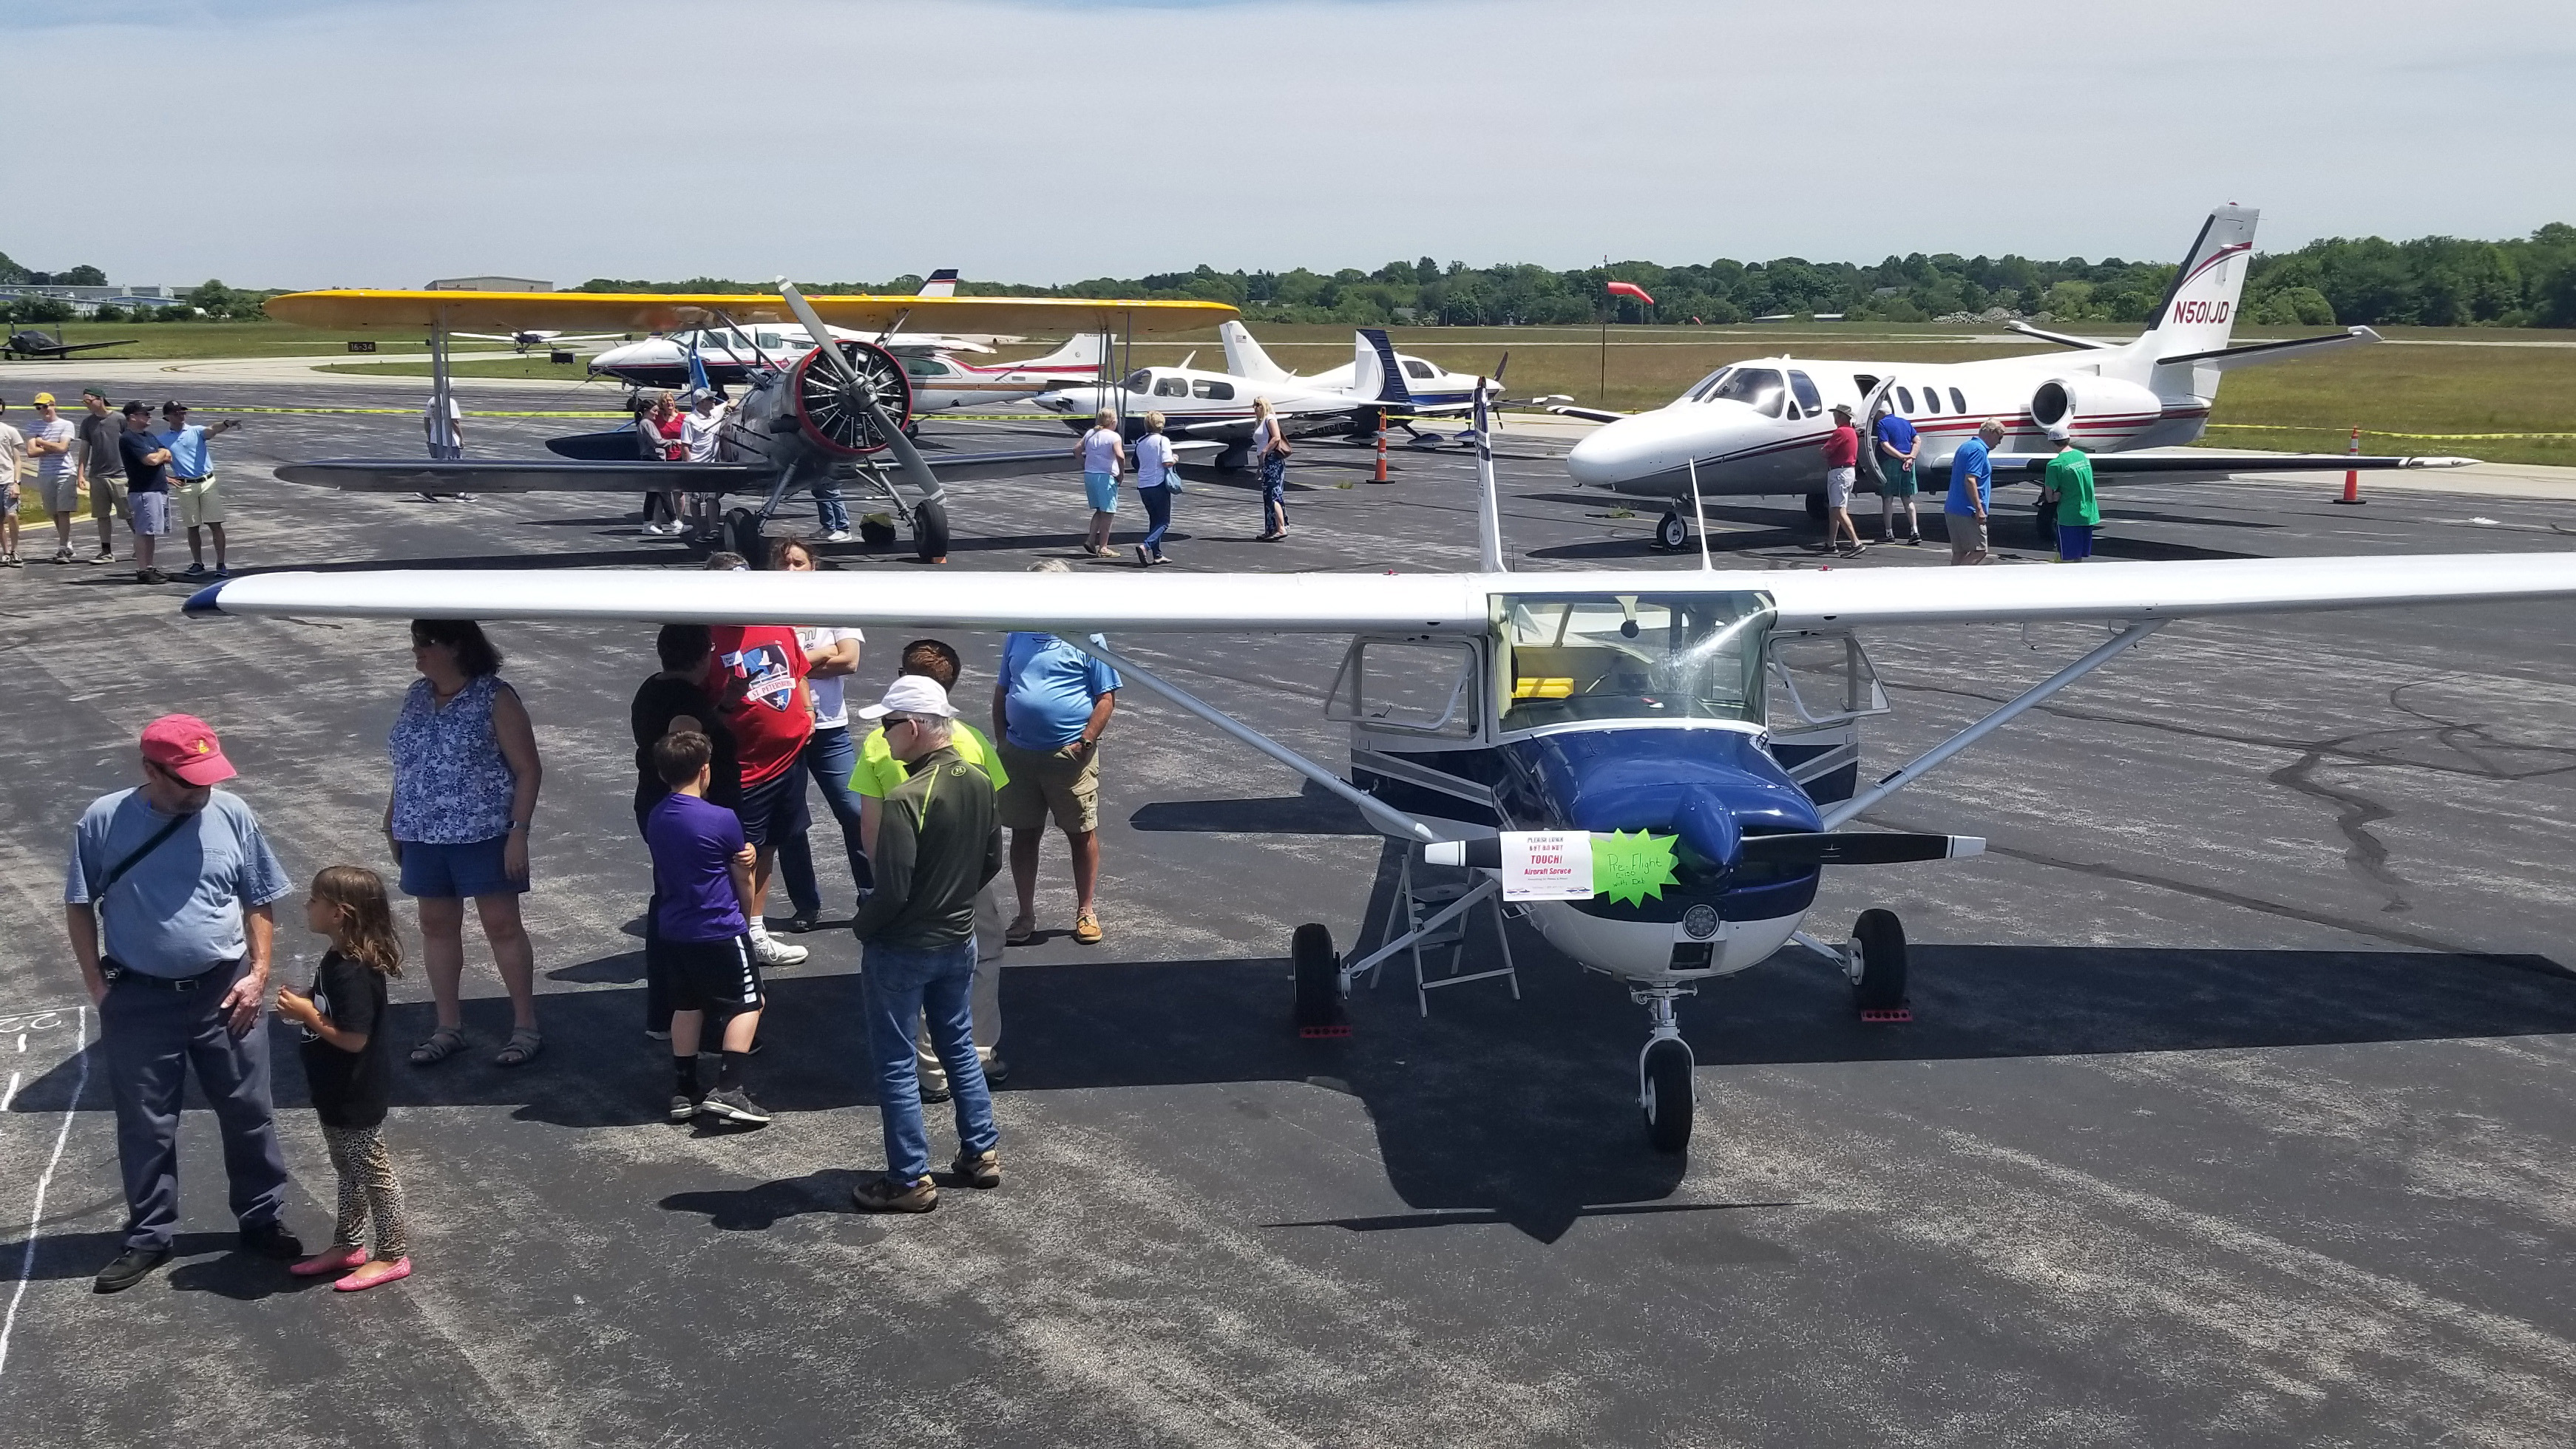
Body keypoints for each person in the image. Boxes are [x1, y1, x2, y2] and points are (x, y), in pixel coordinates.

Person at [64, 714, 302, 1294]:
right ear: (150, 770)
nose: (203, 792)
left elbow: (260, 897)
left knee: (250, 1111)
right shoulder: (103, 821)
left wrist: (259, 973)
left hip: (226, 989)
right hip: (140, 999)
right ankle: (149, 1235)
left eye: (209, 779)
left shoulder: (231, 812)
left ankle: (260, 1218)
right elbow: (79, 903)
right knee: (146, 1124)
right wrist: (98, 986)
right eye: (189, 781)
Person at [847, 676, 1004, 1212]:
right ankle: (981, 1151)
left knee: (895, 1062)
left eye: (889, 725)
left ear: (913, 727)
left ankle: (910, 1179)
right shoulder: (979, 780)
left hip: (903, 949)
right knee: (958, 1044)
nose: (883, 735)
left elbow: (891, 891)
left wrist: (863, 927)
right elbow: (991, 863)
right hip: (958, 940)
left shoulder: (903, 798)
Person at [851, 638, 1011, 1102]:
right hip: (964, 881)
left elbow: (871, 826)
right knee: (983, 958)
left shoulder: (879, 745)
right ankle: (980, 1054)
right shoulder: (971, 739)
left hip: (903, 881)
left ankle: (930, 1072)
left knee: (909, 973)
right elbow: (990, 820)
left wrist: (884, 889)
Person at [387, 620, 546, 1069]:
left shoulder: (495, 697)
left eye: (426, 644)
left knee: (501, 926)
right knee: (435, 926)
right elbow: (407, 764)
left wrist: (519, 832)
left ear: (457, 647)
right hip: (421, 833)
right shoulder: (416, 695)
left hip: (484, 833)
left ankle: (525, 1026)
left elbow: (528, 769)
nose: (416, 652)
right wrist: (392, 822)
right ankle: (448, 1026)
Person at [274, 866, 413, 1292]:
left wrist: (307, 1015)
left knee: (372, 1170)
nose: (306, 906)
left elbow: (354, 1039)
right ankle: (348, 1244)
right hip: (332, 1087)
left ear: (340, 913)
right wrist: (307, 1009)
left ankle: (392, 1252)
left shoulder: (352, 971)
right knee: (347, 1167)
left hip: (355, 1089)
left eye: (315, 900)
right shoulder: (336, 959)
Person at [645, 731, 771, 1126]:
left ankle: (684, 1091)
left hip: (674, 930)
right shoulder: (723, 819)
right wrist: (747, 917)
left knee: (687, 1005)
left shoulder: (657, 816)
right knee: (749, 1002)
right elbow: (743, 875)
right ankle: (731, 1089)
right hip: (719, 927)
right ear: (705, 771)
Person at [995, 560, 1120, 946]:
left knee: (1081, 834)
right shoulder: (1017, 633)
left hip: (1069, 758)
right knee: (1023, 834)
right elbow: (1003, 690)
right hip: (1019, 755)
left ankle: (1085, 909)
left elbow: (1106, 698)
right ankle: (1025, 913)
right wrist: (1003, 741)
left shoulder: (1087, 635)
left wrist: (1085, 743)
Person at [631, 624, 741, 1039]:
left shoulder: (651, 688)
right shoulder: (685, 699)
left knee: (670, 902)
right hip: (691, 819)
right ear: (702, 656)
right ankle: (711, 1020)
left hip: (663, 811)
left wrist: (723, 709)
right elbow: (682, 746)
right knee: (703, 911)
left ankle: (666, 1014)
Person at [770, 538, 869, 932]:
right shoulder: (766, 610)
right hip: (784, 731)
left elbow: (850, 660)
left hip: (830, 731)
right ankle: (805, 906)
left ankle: (871, 897)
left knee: (857, 813)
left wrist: (792, 666)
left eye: (798, 563)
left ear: (813, 566)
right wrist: (819, 655)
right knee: (792, 824)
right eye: (783, 564)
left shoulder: (833, 602)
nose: (790, 571)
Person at [705, 611, 813, 968]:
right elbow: (700, 714)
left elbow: (798, 672)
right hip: (744, 771)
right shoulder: (706, 635)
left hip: (790, 760)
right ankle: (731, 939)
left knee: (768, 847)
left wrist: (809, 711)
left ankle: (755, 931)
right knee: (739, 856)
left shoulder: (775, 620)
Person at [159, 401, 244, 579]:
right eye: (177, 413)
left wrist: (227, 423)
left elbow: (212, 430)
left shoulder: (196, 431)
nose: (181, 415)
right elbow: (153, 462)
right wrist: (166, 478)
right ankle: (198, 563)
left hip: (207, 482)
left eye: (183, 412)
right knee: (192, 526)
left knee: (215, 524)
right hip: (185, 485)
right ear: (167, 417)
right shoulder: (161, 440)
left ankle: (220, 564)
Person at [118, 401, 176, 584]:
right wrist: (159, 455)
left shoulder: (149, 436)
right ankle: (143, 569)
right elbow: (150, 461)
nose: (149, 417)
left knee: (151, 531)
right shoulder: (128, 438)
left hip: (157, 489)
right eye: (145, 414)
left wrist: (159, 455)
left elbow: (168, 455)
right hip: (143, 490)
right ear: (132, 417)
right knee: (143, 531)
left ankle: (149, 567)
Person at [27, 393, 81, 565]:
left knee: (63, 511)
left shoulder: (66, 425)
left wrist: (41, 441)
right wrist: (52, 446)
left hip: (65, 472)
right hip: (45, 473)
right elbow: (31, 452)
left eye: (46, 406)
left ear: (53, 405)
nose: (43, 410)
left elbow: (63, 447)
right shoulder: (33, 425)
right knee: (54, 512)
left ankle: (62, 547)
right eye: (39, 407)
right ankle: (67, 543)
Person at [75, 387, 127, 565]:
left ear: (101, 399)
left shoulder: (120, 419)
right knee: (101, 515)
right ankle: (106, 551)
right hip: (97, 475)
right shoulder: (87, 423)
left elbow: (132, 444)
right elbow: (84, 450)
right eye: (84, 402)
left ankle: (142, 544)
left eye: (88, 401)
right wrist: (81, 474)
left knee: (130, 513)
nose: (86, 405)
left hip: (120, 475)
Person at [1947, 418, 2003, 566]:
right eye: (2000, 437)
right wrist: (1979, 509)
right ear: (1992, 433)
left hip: (1953, 508)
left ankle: (1950, 582)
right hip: (1968, 511)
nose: (1999, 442)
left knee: (1960, 552)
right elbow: (1970, 480)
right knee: (1980, 550)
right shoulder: (1979, 450)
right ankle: (1960, 581)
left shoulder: (1965, 446)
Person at [1073, 408, 1125, 556]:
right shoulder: (1114, 437)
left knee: (1099, 511)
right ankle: (1103, 547)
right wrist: (1122, 473)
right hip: (1106, 477)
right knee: (1108, 512)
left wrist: (1084, 464)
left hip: (1090, 475)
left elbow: (1076, 449)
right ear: (1113, 422)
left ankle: (1091, 539)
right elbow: (1120, 456)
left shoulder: (1090, 433)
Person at [1133, 410, 1180, 567]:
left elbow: (1135, 463)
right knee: (1164, 521)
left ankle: (1157, 554)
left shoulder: (1140, 441)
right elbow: (1167, 462)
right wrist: (1175, 458)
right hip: (1158, 484)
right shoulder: (1162, 440)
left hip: (1143, 485)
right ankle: (1145, 546)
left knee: (1155, 519)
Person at [2047, 424, 2100, 563]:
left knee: (2068, 558)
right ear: (2068, 439)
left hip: (2069, 517)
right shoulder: (2083, 457)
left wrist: (2054, 497)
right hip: (2089, 513)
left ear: (2052, 443)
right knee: (2079, 558)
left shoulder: (2055, 464)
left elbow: (2050, 496)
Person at [1874, 401, 1922, 546]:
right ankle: (1914, 531)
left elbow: (1884, 444)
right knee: (1907, 497)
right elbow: (1917, 440)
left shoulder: (1882, 424)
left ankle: (1889, 533)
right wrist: (1911, 457)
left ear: (1881, 413)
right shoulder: (1905, 422)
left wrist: (1901, 457)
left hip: (1890, 462)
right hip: (1908, 464)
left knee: (1887, 498)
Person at [1820, 403, 1863, 557]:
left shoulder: (1841, 432)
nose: (1834, 417)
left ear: (1842, 417)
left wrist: (1823, 450)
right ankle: (1831, 543)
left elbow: (1826, 451)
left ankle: (1855, 543)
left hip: (1839, 472)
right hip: (1847, 472)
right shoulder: (1851, 432)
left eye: (1836, 414)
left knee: (1838, 509)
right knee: (1835, 509)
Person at [637, 393, 682, 535]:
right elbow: (658, 441)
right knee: (664, 492)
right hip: (654, 460)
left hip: (651, 459)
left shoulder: (644, 423)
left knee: (652, 494)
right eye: (654, 411)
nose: (657, 414)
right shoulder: (647, 424)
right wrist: (674, 441)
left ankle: (648, 524)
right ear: (646, 411)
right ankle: (675, 522)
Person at [1250, 396, 1291, 540]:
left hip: (1273, 460)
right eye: (1254, 405)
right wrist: (1260, 466)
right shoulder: (1260, 423)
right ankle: (1271, 529)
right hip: (1267, 462)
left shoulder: (1270, 419)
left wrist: (1266, 451)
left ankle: (1281, 527)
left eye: (1258, 405)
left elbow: (1276, 437)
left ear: (1265, 406)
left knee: (1273, 494)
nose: (1255, 408)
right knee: (1267, 495)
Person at [418, 393, 472, 503]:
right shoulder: (450, 402)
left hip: (435, 438)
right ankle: (460, 493)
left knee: (439, 467)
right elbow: (454, 422)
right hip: (448, 441)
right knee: (456, 467)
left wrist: (429, 436)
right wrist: (461, 438)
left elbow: (426, 420)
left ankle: (456, 491)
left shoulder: (432, 401)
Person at [0, 396, 22, 568]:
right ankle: (6, 552)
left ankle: (15, 550)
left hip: (7, 480)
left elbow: (17, 460)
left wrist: (17, 482)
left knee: (12, 515)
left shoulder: (9, 431)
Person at [681, 390, 728, 464]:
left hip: (712, 463)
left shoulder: (715, 412)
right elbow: (685, 446)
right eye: (710, 399)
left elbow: (734, 401)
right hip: (696, 464)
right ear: (701, 402)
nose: (714, 401)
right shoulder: (690, 420)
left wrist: (730, 406)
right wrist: (688, 466)